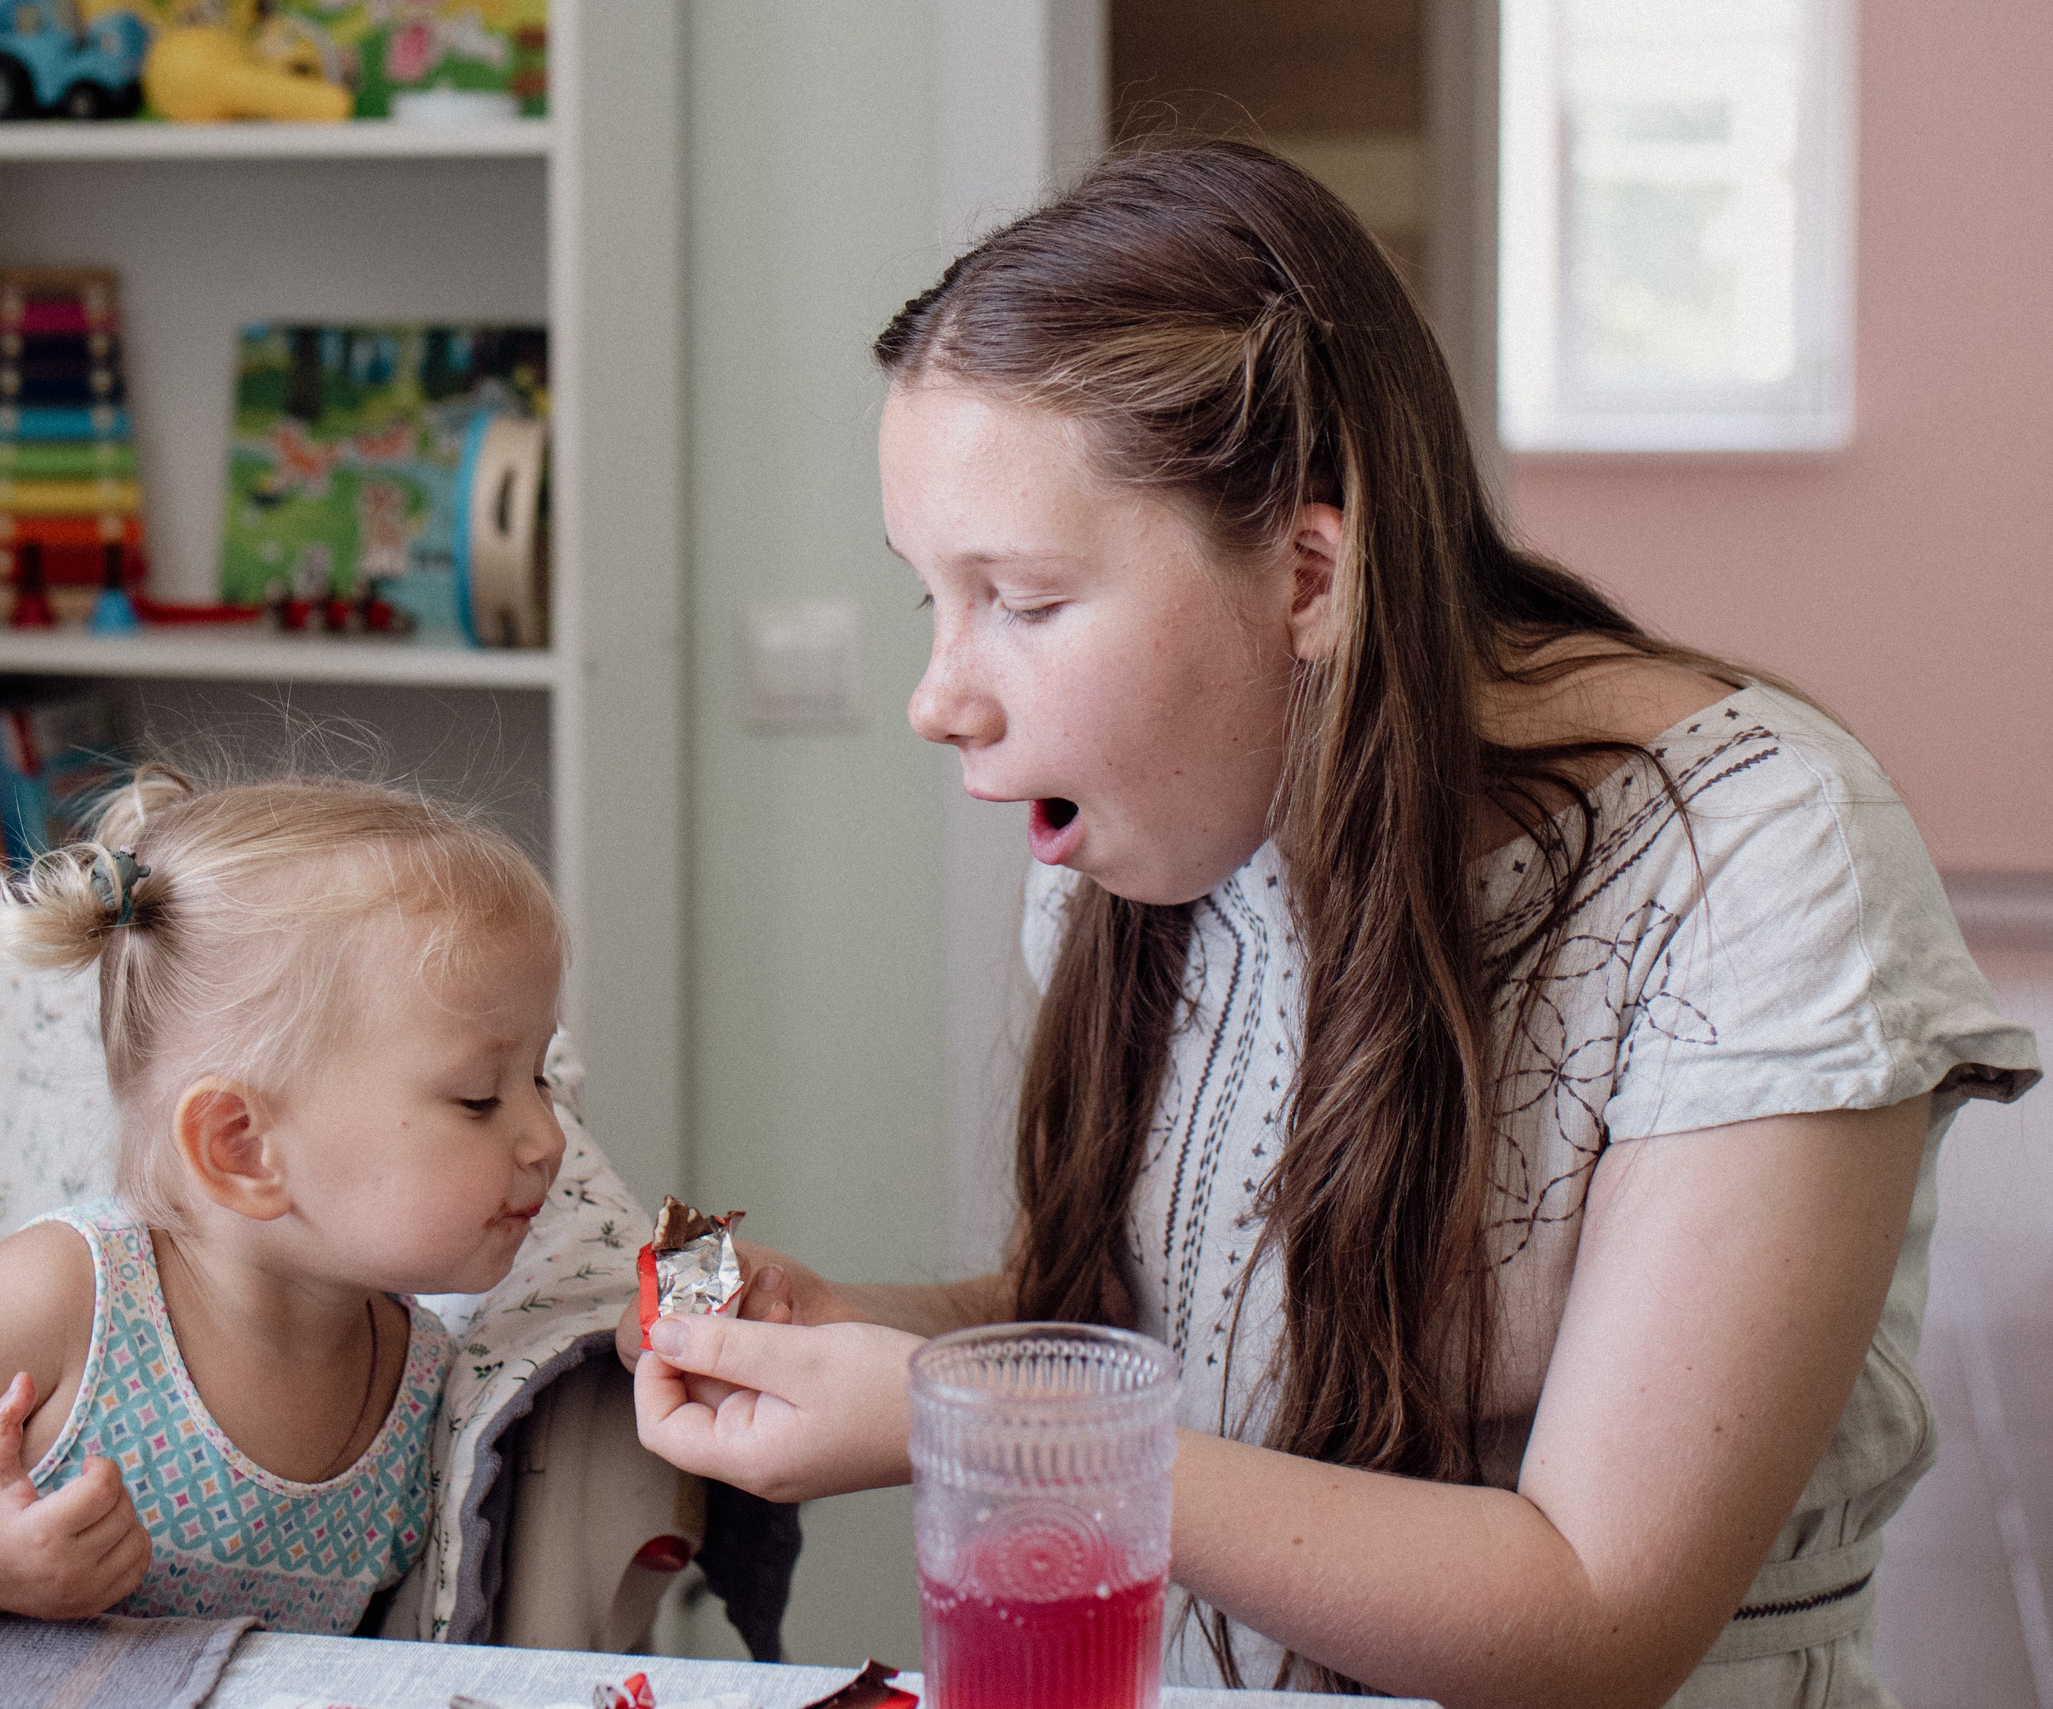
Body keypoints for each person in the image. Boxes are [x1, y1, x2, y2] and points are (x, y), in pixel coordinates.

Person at [626, 144, 2040, 1706]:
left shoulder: (1768, 868)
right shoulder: (1169, 819)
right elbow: (1152, 1315)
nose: (937, 698)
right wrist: (881, 1334)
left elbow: (1596, 1618)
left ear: (1310, 573)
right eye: (928, 597)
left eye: (1023, 601)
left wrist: (953, 1417)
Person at [0, 768, 568, 1634]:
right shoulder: (73, 1301)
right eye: (478, 1097)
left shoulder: (421, 1372)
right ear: (241, 1147)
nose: (549, 1136)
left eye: (538, 1076)